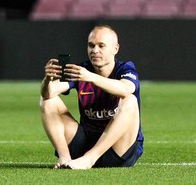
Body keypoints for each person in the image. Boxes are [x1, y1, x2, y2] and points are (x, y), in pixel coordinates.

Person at [39, 24, 143, 169]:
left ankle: (90, 159)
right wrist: (47, 79)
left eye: (101, 46)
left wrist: (91, 77)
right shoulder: (82, 69)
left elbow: (126, 89)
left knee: (130, 101)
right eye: (91, 45)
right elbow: (48, 93)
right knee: (47, 100)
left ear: (115, 49)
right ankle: (65, 158)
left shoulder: (125, 69)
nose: (95, 50)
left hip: (116, 150)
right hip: (84, 145)